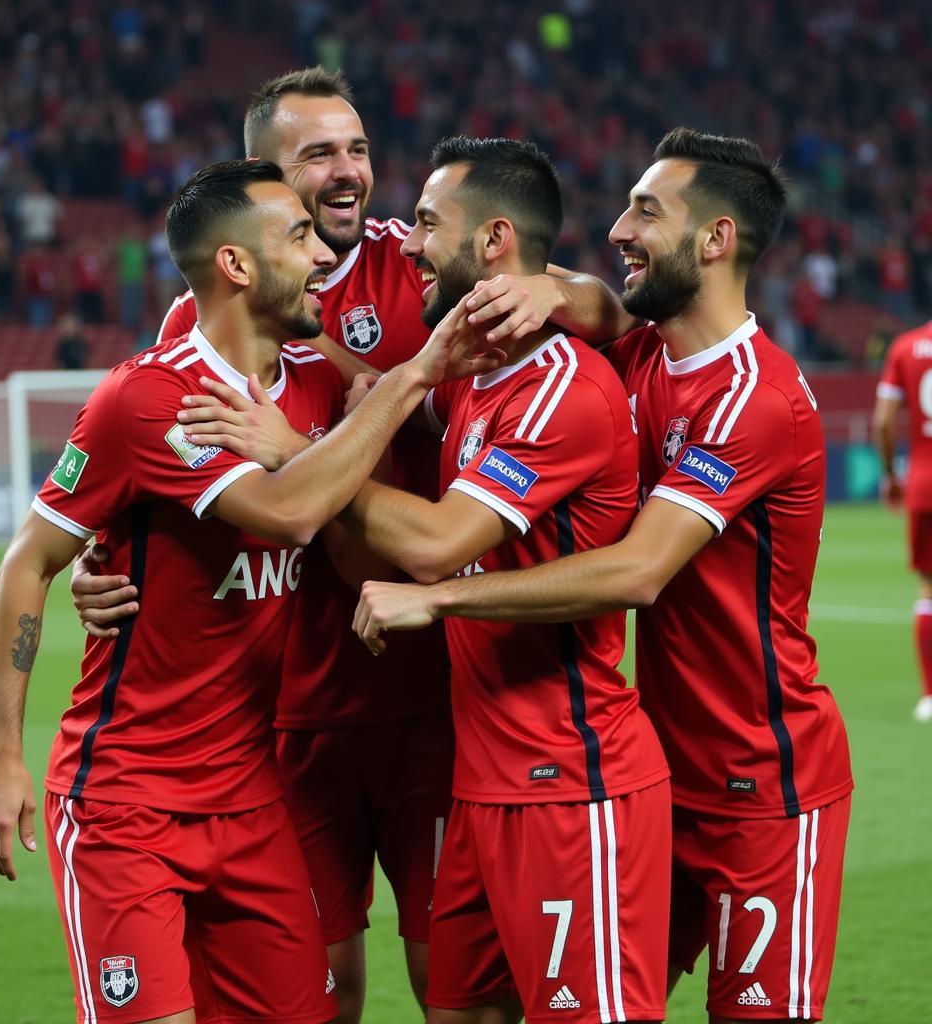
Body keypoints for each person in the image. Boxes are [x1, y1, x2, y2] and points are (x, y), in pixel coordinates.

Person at [71, 65, 623, 1022]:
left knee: (450, 983)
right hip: (287, 716)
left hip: (433, 699)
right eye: (317, 153)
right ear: (260, 175)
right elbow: (147, 461)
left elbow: (610, 312)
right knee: (319, 994)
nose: (347, 171)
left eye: (358, 148)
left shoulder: (415, 267)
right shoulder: (211, 315)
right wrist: (103, 557)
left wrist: (556, 291)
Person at [0, 158, 499, 1024]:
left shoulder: (324, 388)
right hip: (126, 801)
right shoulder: (153, 397)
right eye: (296, 238)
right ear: (237, 267)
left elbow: (351, 562)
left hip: (252, 798)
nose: (323, 256)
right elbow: (29, 560)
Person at [354, 128, 854, 1024]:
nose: (618, 229)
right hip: (654, 763)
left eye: (645, 211)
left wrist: (439, 596)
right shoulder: (641, 356)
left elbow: (636, 571)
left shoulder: (755, 398)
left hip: (761, 784)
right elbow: (595, 306)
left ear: (716, 241)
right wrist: (553, 288)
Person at [873, 317, 932, 721]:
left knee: (928, 588)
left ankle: (930, 694)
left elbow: (882, 420)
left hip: (924, 483)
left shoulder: (906, 347)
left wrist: (893, 476)